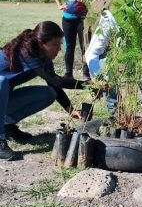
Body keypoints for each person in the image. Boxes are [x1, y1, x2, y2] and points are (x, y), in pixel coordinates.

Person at [0, 21, 86, 161]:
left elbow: (54, 85)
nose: (59, 49)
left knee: (49, 93)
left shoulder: (43, 58)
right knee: (1, 82)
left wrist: (70, 109)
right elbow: (57, 81)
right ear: (41, 43)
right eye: (55, 45)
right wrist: (87, 85)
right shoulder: (26, 52)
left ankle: (7, 125)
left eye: (60, 44)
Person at [53, 0, 106, 81]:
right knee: (69, 46)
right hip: (68, 19)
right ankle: (68, 74)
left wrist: (93, 2)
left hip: (83, 20)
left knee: (85, 47)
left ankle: (86, 74)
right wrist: (59, 4)